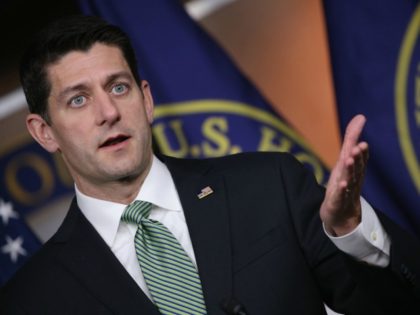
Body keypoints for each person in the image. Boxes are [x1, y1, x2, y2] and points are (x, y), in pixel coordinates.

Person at [0, 15, 419, 315]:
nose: (108, 112)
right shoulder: (32, 297)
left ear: (146, 101)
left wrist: (351, 232)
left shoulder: (268, 185)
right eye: (78, 99)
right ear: (44, 132)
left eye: (119, 87)